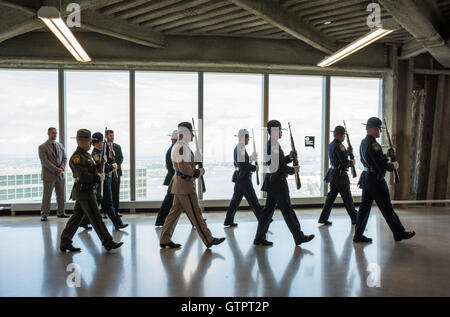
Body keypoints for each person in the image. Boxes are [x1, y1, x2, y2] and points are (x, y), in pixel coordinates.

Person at [159, 121, 225, 249]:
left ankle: (164, 239)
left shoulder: (179, 145)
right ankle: (208, 239)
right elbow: (184, 169)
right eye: (191, 133)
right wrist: (199, 171)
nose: (193, 136)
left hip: (179, 185)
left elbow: (184, 165)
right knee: (196, 214)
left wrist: (196, 161)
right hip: (185, 186)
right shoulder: (182, 147)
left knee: (173, 215)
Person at [60, 129, 123, 252]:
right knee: (96, 217)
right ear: (82, 141)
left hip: (88, 191)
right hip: (84, 192)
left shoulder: (86, 154)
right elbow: (82, 175)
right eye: (89, 141)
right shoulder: (77, 157)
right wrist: (97, 177)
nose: (91, 144)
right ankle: (108, 242)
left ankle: (65, 241)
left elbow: (93, 168)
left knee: (76, 218)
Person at [353, 117, 415, 243]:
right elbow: (381, 165)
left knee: (364, 209)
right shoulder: (375, 144)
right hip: (376, 181)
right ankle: (399, 233)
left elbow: (369, 160)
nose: (380, 132)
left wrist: (385, 155)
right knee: (387, 208)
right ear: (374, 129)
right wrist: (394, 166)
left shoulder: (363, 142)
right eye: (379, 129)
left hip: (367, 179)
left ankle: (358, 235)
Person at [254, 120, 315, 246]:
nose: (281, 132)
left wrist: (289, 157)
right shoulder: (274, 145)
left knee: (267, 213)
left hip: (273, 181)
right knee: (287, 210)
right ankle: (299, 237)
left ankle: (259, 238)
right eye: (280, 130)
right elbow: (279, 167)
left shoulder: (271, 144)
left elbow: (279, 162)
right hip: (278, 183)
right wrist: (294, 170)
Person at [87, 132, 128, 230]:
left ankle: (117, 223)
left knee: (105, 204)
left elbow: (105, 164)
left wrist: (110, 158)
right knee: (104, 204)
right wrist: (112, 167)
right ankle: (117, 223)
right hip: (101, 182)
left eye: (102, 142)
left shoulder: (102, 151)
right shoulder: (95, 154)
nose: (101, 144)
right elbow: (102, 168)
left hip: (106, 180)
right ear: (94, 143)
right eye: (99, 143)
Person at [318, 125, 357, 226]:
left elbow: (338, 157)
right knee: (347, 198)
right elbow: (344, 162)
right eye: (343, 135)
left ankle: (323, 218)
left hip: (333, 174)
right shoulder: (340, 146)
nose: (344, 137)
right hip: (340, 176)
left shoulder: (331, 144)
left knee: (330, 198)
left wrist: (347, 153)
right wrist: (352, 162)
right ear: (340, 135)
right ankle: (355, 218)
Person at [155, 130, 195, 228]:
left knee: (179, 202)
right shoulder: (174, 149)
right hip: (176, 178)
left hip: (175, 178)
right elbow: (174, 167)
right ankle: (160, 221)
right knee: (171, 202)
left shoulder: (173, 148)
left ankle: (194, 221)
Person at [224, 129, 263, 227]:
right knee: (253, 201)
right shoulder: (241, 148)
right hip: (244, 179)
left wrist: (251, 159)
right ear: (243, 138)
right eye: (247, 138)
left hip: (239, 178)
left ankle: (228, 220)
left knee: (235, 201)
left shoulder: (237, 148)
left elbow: (242, 163)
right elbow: (243, 166)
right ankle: (263, 219)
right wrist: (255, 167)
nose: (248, 140)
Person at [38, 127, 68, 221]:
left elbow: (65, 158)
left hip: (60, 175)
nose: (55, 135)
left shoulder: (60, 145)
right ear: (48, 133)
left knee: (61, 195)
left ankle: (61, 212)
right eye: (53, 133)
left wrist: (62, 168)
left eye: (56, 133)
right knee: (47, 196)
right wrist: (56, 169)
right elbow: (45, 162)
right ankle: (44, 214)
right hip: (49, 175)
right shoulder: (42, 147)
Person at [105, 130, 123, 216]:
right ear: (106, 136)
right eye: (110, 136)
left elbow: (121, 158)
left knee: (116, 192)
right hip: (107, 173)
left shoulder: (117, 146)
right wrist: (110, 167)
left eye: (113, 135)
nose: (112, 137)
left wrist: (116, 166)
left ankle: (116, 211)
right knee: (107, 193)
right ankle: (105, 212)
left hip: (117, 172)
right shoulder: (104, 147)